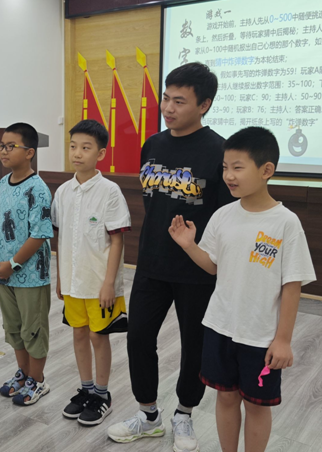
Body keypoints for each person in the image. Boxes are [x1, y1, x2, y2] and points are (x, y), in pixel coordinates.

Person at [108, 62, 234, 451]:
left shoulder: (219, 151)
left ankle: (184, 414)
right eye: (166, 98)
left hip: (197, 268)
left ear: (204, 105)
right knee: (138, 338)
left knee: (194, 345)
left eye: (179, 101)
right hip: (151, 263)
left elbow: (227, 218)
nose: (168, 108)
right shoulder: (153, 145)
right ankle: (148, 415)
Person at [169, 127, 315, 452]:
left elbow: (292, 286)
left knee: (256, 406)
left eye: (238, 167)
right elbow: (213, 266)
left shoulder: (286, 222)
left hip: (260, 336)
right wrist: (189, 245)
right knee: (225, 397)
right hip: (220, 326)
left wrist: (283, 340)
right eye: (225, 167)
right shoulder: (223, 215)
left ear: (266, 170)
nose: (228, 176)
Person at [52, 119, 130, 426]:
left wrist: (110, 283)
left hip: (99, 283)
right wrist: (60, 277)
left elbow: (117, 240)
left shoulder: (110, 191)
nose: (77, 153)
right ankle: (85, 390)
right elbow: (61, 238)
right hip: (73, 281)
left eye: (86, 148)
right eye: (73, 146)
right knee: (79, 333)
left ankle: (102, 394)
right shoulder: (63, 192)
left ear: (100, 154)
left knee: (99, 336)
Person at [0, 122, 53, 406]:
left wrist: (13, 263)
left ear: (30, 152)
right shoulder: (2, 183)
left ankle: (38, 380)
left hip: (30, 274)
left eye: (11, 146)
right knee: (14, 328)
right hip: (2, 272)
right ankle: (23, 374)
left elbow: (40, 234)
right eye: (1, 146)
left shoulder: (38, 189)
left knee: (33, 329)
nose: (3, 151)